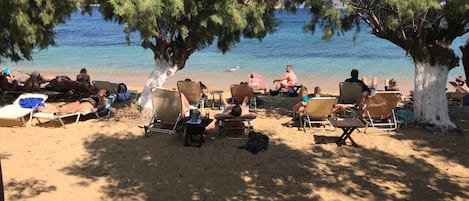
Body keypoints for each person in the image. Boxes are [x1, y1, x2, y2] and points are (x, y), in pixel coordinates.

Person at [38, 89, 108, 114]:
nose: (100, 91)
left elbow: (102, 105)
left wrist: (96, 109)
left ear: (105, 94)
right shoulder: (93, 95)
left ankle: (51, 111)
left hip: (89, 104)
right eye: (100, 90)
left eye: (102, 90)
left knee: (74, 109)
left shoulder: (103, 98)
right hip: (80, 101)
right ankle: (54, 109)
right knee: (67, 106)